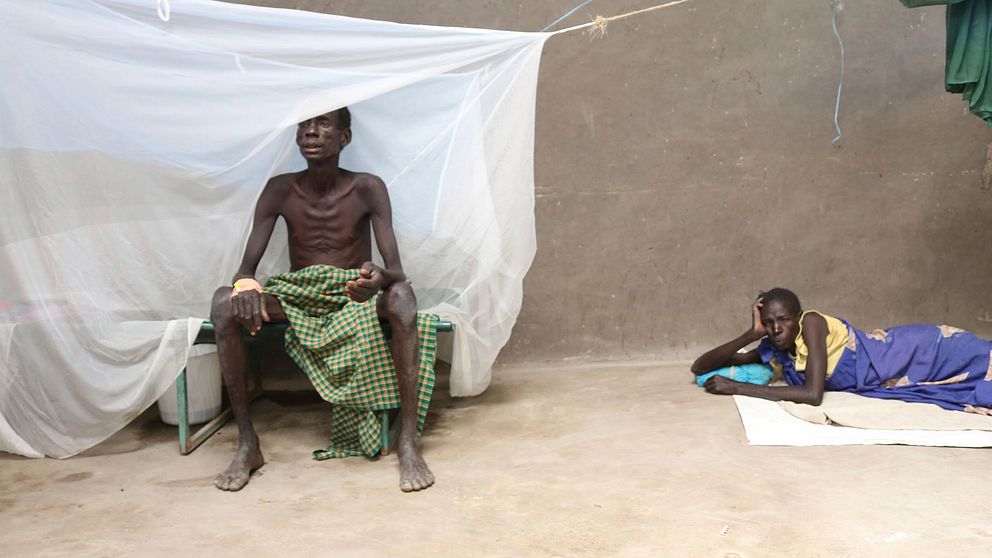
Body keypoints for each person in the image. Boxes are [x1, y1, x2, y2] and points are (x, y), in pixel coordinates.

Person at [209, 107, 436, 492]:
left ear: (344, 138)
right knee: (221, 302)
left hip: (352, 295)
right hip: (302, 295)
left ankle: (408, 441)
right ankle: (248, 443)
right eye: (304, 125)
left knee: (402, 296)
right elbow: (246, 267)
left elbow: (395, 269)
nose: (310, 133)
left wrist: (377, 279)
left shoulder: (367, 187)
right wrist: (245, 286)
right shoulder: (280, 189)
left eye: (322, 124)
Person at [691, 288, 992, 413]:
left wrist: (738, 387)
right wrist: (751, 333)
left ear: (797, 316)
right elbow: (700, 367)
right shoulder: (775, 346)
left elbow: (812, 394)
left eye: (783, 320)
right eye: (769, 323)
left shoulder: (812, 323)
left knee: (981, 360)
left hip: (917, 349)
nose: (776, 328)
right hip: (901, 364)